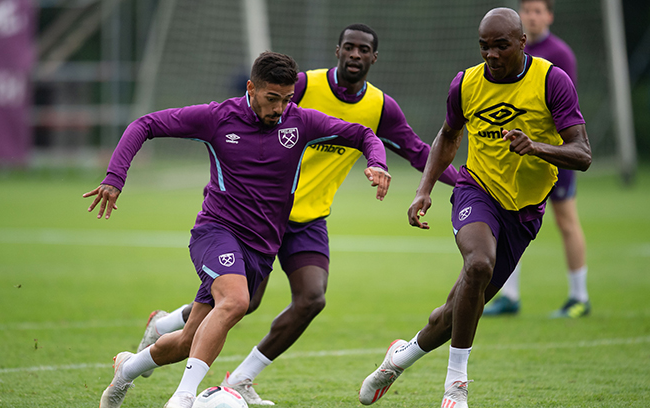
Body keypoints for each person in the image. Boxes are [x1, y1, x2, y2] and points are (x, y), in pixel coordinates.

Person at [134, 23, 459, 405]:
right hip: (261, 215)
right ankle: (167, 326)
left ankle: (240, 378)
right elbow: (249, 116)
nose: (355, 55)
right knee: (241, 302)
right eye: (349, 48)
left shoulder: (381, 107)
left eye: (363, 50)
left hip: (309, 219)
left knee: (311, 298)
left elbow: (418, 151)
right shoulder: (301, 87)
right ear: (337, 51)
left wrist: (463, 182)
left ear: (374, 57)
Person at [85, 51, 392, 408]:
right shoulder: (217, 118)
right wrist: (115, 176)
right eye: (271, 98)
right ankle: (183, 398)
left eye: (287, 99)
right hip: (216, 231)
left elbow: (363, 134)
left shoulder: (301, 123)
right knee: (237, 301)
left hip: (261, 249)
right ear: (251, 88)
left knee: (188, 340)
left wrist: (377, 162)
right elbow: (145, 124)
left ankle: (126, 369)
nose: (279, 108)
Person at [358, 8, 591, 407]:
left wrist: (537, 147)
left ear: (521, 43)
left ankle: (399, 358)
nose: (492, 55)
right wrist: (424, 189)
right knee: (479, 263)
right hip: (476, 189)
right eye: (485, 47)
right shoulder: (465, 83)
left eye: (501, 46)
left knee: (451, 315)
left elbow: (582, 153)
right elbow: (448, 135)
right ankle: (456, 387)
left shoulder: (552, 81)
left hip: (525, 209)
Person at [483, 0, 590, 318]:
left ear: (550, 16)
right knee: (507, 221)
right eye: (527, 10)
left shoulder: (559, 55)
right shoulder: (505, 53)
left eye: (538, 10)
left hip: (552, 155)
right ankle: (509, 296)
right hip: (514, 158)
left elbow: (568, 113)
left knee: (566, 221)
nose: (532, 16)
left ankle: (579, 297)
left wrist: (547, 148)